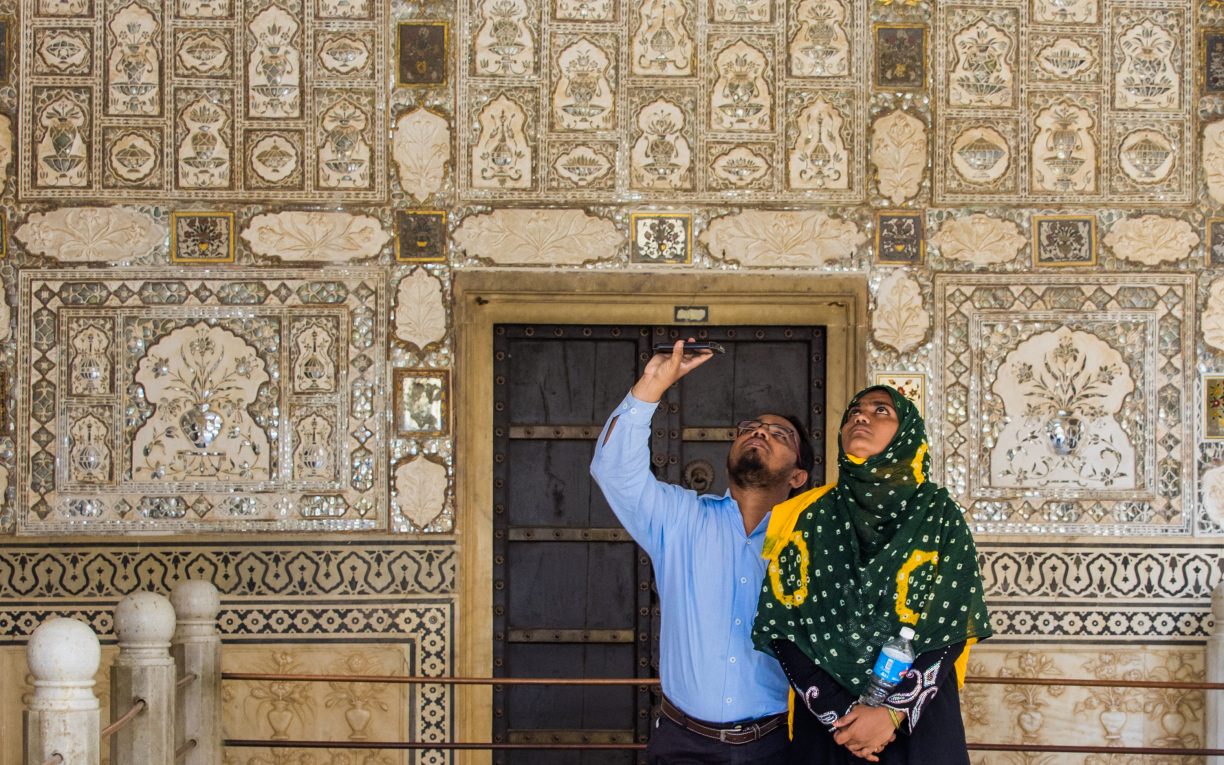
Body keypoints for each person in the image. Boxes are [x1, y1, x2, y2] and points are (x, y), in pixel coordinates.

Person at [590, 338, 816, 764]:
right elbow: (613, 471)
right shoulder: (679, 519)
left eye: (778, 434)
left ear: (799, 475)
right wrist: (652, 385)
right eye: (749, 428)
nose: (759, 432)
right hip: (682, 745)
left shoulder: (810, 540)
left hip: (776, 745)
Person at [752, 385, 992, 764]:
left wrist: (892, 713)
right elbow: (783, 626)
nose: (860, 417)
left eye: (881, 411)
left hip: (919, 723)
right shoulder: (810, 517)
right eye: (853, 412)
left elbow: (952, 621)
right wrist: (841, 717)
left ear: (907, 433)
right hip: (829, 728)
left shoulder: (939, 515)